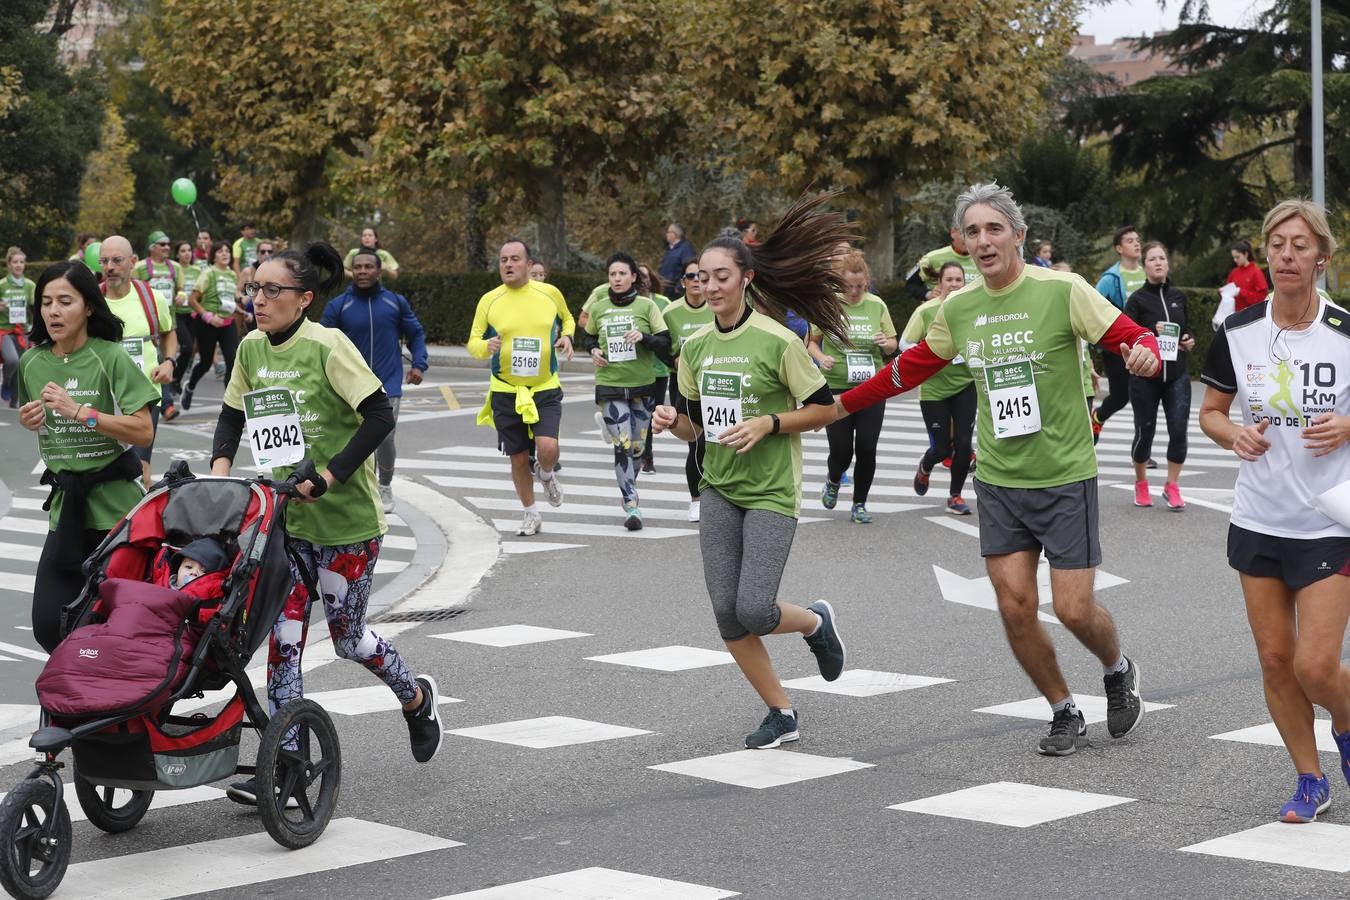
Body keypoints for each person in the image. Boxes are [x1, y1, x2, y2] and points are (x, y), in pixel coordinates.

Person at [837, 183, 1161, 756]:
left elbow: (1133, 339)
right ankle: (1063, 709)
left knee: (1073, 608)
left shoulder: (1062, 289)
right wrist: (840, 404)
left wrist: (1144, 353)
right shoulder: (957, 309)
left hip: (1063, 475)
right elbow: (909, 369)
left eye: (994, 229)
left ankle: (1117, 667)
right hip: (1000, 479)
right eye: (973, 232)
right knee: (1014, 607)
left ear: (1018, 235)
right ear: (960, 243)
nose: (983, 241)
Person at [210, 241, 443, 790]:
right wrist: (220, 476)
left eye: (272, 291)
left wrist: (332, 476)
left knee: (347, 638)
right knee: (283, 640)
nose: (259, 300)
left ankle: (416, 698)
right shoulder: (250, 350)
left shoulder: (327, 345)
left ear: (304, 298)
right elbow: (229, 418)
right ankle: (287, 765)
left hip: (347, 526)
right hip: (286, 525)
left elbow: (379, 415)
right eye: (254, 290)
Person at [651, 194, 851, 750]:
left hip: (770, 491)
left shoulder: (778, 340)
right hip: (719, 487)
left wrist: (769, 422)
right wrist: (673, 422)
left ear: (745, 278)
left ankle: (815, 624)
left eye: (721, 276)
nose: (710, 286)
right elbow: (697, 429)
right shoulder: (693, 347)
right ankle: (781, 712)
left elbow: (824, 409)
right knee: (726, 613)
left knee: (755, 609)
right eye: (701, 277)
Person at [1199, 199, 1350, 824]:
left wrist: (1348, 424)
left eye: (1300, 245)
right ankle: (1310, 780)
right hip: (1258, 518)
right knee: (1275, 660)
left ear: (1322, 257)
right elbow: (1211, 411)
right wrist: (1232, 434)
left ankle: (1345, 727)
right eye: (1277, 244)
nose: (1287, 255)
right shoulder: (1238, 331)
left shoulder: (1345, 331)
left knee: (1317, 665)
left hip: (1328, 522)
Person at [18, 261, 157, 652]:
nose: (53, 311)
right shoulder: (32, 362)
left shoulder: (110, 356)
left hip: (116, 510)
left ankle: (117, 700)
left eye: (65, 301)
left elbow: (143, 428)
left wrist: (81, 412)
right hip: (66, 509)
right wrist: (31, 420)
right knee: (49, 624)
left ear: (89, 307)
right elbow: (46, 423)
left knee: (118, 623)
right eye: (46, 303)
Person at [467, 239, 574, 536]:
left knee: (548, 447)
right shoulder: (489, 300)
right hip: (505, 390)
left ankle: (547, 473)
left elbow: (568, 319)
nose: (508, 264)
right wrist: (484, 346)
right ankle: (531, 513)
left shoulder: (549, 294)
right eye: (503, 260)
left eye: (515, 259)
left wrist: (567, 336)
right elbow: (472, 342)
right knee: (518, 458)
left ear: (529, 265)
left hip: (544, 386)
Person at [321, 247, 429, 512]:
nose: (362, 271)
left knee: (385, 439)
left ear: (379, 271)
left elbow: (415, 333)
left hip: (387, 383)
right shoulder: (339, 306)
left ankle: (385, 484)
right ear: (351, 271)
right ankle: (354, 489)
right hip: (349, 386)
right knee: (350, 440)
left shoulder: (395, 302)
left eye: (368, 267)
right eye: (357, 267)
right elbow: (320, 343)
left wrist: (419, 363)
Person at [580, 253, 670, 530]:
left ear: (633, 277)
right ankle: (631, 503)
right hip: (610, 384)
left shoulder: (647, 307)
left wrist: (644, 337)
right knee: (623, 445)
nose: (617, 279)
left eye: (622, 274)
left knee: (639, 449)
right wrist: (593, 349)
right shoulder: (599, 307)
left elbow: (665, 342)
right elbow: (589, 336)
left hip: (643, 386)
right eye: (612, 274)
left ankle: (630, 484)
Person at [808, 251, 897, 523]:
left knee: (867, 448)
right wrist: (822, 358)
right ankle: (834, 479)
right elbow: (810, 342)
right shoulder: (828, 305)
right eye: (849, 286)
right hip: (837, 388)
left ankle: (860, 503)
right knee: (842, 450)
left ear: (867, 281)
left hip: (872, 387)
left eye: (860, 286)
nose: (855, 292)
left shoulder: (877, 305)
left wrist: (886, 343)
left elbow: (893, 344)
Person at [99, 236, 177, 489]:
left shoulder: (153, 298)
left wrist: (169, 362)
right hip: (103, 398)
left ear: (133, 262)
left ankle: (138, 527)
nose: (110, 266)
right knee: (104, 471)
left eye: (117, 260)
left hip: (144, 395)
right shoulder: (91, 303)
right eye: (104, 261)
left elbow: (168, 332)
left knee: (139, 471)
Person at [902, 260, 977, 516]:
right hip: (934, 389)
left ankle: (955, 496)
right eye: (949, 280)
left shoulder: (973, 309)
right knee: (942, 449)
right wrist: (933, 355)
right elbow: (904, 343)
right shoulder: (926, 311)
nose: (954, 284)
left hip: (965, 384)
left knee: (965, 444)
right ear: (940, 283)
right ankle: (926, 464)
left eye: (959, 280)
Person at [1125, 242, 1194, 510]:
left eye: (1162, 258)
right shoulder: (1138, 300)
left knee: (1179, 430)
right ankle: (1141, 482)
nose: (1158, 263)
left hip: (1177, 374)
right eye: (1152, 259)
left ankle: (1172, 485)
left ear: (1168, 264)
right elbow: (1129, 335)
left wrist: (1188, 340)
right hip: (1145, 376)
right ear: (1145, 266)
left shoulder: (1179, 296)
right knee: (1145, 430)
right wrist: (1152, 333)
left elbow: (1185, 330)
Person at [661, 258, 715, 522]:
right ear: (683, 282)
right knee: (695, 442)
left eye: (700, 276)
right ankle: (696, 500)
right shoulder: (671, 312)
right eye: (691, 276)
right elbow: (661, 344)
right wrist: (674, 360)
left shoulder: (717, 307)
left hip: (715, 382)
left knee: (713, 440)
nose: (696, 281)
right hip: (683, 384)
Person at [1092, 225, 1147, 444]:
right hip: (1117, 348)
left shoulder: (1146, 273)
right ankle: (1097, 416)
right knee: (1120, 397)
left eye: (1137, 240)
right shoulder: (1110, 278)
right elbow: (1092, 308)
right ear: (1119, 248)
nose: (1136, 243)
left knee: (1143, 397)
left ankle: (1142, 452)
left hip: (1143, 345)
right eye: (1130, 241)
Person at [178, 240, 239, 411]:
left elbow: (230, 301)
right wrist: (208, 316)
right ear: (214, 255)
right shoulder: (208, 273)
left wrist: (244, 311)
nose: (225, 254)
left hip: (227, 323)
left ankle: (230, 404)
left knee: (232, 360)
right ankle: (189, 387)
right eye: (220, 251)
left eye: (227, 250)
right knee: (205, 363)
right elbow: (192, 300)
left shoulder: (233, 275)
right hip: (208, 324)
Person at [134, 231, 187, 421]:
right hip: (147, 325)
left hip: (168, 324)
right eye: (162, 244)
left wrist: (182, 295)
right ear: (152, 248)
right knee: (157, 361)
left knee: (167, 360)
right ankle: (165, 405)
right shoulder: (140, 267)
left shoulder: (175, 267)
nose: (166, 247)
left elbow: (181, 289)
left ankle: (163, 401)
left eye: (168, 244)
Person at [637, 262, 671, 474]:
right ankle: (639, 453)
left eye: (646, 276)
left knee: (651, 413)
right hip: (636, 370)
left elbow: (669, 335)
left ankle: (646, 456)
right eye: (639, 276)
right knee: (637, 414)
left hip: (659, 369)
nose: (643, 280)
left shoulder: (663, 302)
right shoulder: (626, 303)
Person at [904, 224, 980, 301]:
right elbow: (910, 285)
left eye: (972, 233)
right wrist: (928, 294)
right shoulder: (932, 258)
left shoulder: (984, 259)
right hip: (937, 311)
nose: (967, 238)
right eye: (963, 233)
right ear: (953, 233)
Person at [2, 247, 36, 409]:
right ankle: (6, 383)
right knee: (12, 360)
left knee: (20, 366)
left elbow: (35, 309)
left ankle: (14, 402)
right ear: (9, 264)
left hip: (22, 331)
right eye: (15, 262)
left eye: (21, 262)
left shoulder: (30, 286)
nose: (18, 265)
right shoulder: (2, 285)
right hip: (4, 331)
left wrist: (36, 331)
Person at [1226, 239, 1270, 313]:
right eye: (1233, 257)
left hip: (1251, 317)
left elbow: (1262, 298)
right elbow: (1228, 293)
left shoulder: (1256, 272)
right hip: (1234, 315)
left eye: (1237, 257)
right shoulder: (1234, 272)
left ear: (1246, 254)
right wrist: (1222, 292)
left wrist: (1241, 292)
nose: (1235, 260)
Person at [658, 222, 698, 297]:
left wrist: (679, 287)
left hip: (676, 291)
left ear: (675, 234)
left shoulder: (686, 249)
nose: (666, 234)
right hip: (666, 289)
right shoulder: (670, 249)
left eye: (668, 232)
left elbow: (690, 268)